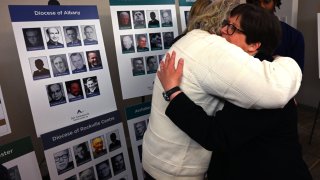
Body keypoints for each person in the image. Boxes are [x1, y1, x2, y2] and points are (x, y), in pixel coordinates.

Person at [142, 1, 302, 179]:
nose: (223, 30)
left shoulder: (257, 81)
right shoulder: (239, 67)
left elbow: (216, 135)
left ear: (254, 45)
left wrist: (173, 91)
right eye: (227, 23)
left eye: (233, 28)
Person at [246, 0, 305, 72]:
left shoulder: (294, 37)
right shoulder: (238, 32)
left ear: (275, 2)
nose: (261, 6)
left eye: (266, 2)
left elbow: (296, 77)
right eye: (256, 2)